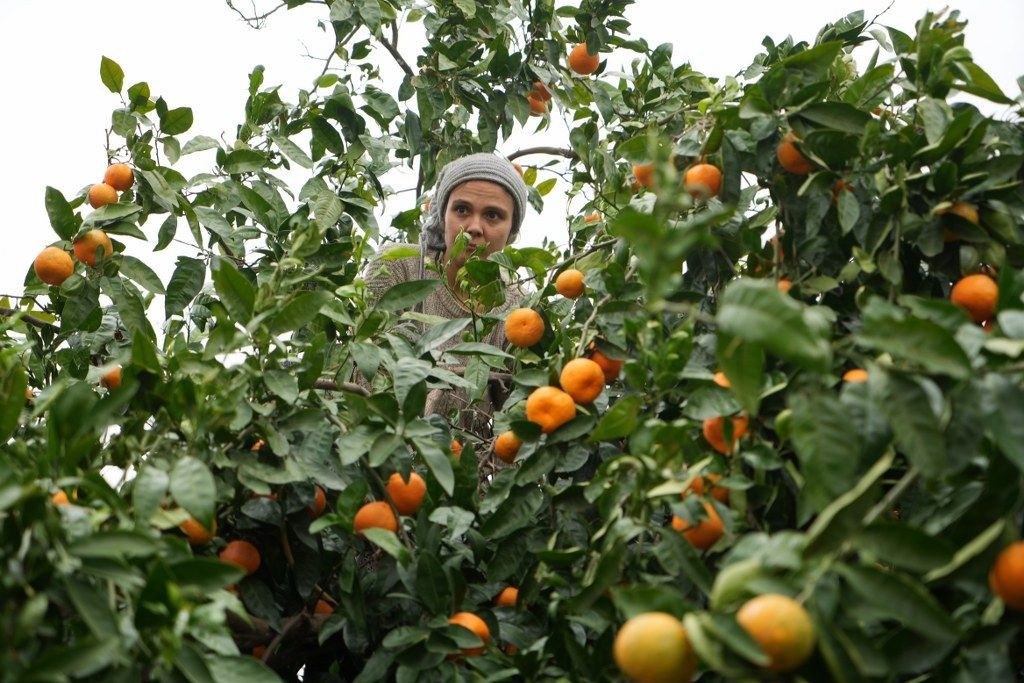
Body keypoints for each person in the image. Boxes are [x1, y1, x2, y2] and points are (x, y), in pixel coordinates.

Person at [362, 152, 529, 437]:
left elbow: (510, 430)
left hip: (459, 471)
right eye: (462, 210)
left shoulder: (518, 313)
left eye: (492, 215)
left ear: (512, 231)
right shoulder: (398, 269)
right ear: (442, 217)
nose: (475, 227)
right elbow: (369, 379)